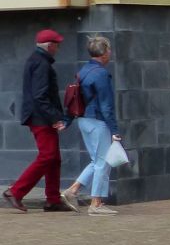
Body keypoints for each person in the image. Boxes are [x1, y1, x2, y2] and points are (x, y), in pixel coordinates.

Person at [3, 29, 74, 213]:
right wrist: (54, 118)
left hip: (39, 116)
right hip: (41, 118)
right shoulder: (42, 64)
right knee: (48, 156)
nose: (58, 48)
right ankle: (16, 192)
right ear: (49, 46)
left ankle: (52, 200)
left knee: (54, 158)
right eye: (57, 44)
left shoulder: (36, 60)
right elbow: (40, 96)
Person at [62, 36, 123, 215]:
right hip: (97, 121)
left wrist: (67, 120)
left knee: (96, 161)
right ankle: (96, 203)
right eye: (109, 50)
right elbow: (106, 105)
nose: (110, 53)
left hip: (83, 120)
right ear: (104, 53)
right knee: (103, 163)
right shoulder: (101, 74)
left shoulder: (84, 71)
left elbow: (75, 98)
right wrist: (115, 130)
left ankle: (73, 190)